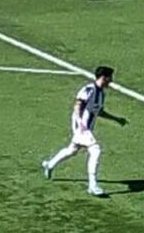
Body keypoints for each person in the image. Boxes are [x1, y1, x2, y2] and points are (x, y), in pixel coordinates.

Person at [40, 66, 126, 197]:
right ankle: (92, 185)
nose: (111, 81)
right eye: (110, 78)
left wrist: (116, 119)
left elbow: (99, 112)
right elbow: (78, 104)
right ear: (104, 77)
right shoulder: (89, 89)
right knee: (95, 149)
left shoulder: (101, 93)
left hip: (87, 127)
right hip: (81, 126)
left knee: (72, 150)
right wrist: (80, 122)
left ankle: (50, 165)